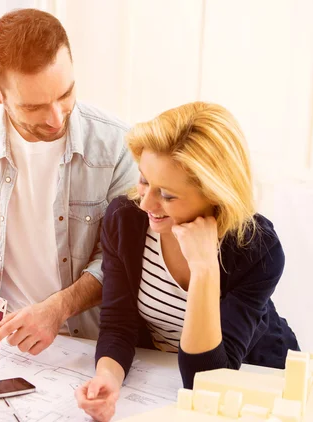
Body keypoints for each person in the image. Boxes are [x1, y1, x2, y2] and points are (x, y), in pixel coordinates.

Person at [75, 102, 299, 422]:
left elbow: (205, 380)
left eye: (167, 194)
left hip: (259, 387)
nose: (146, 203)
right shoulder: (126, 220)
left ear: (214, 195)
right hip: (168, 379)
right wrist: (107, 380)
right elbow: (117, 324)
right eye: (143, 180)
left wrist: (204, 268)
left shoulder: (257, 248)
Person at [0, 8, 138, 355]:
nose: (56, 118)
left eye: (66, 94)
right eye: (34, 107)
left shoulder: (117, 144)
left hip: (87, 346)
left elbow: (123, 259)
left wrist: (58, 309)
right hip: (0, 338)